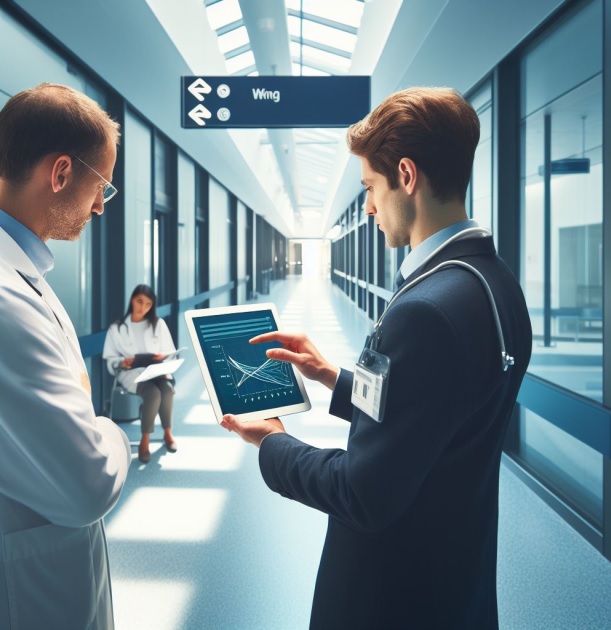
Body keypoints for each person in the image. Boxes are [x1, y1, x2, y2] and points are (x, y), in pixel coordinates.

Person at [221, 87, 533, 629]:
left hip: (392, 597)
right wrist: (333, 379)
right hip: (455, 585)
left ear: (406, 177)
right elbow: (433, 413)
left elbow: (360, 493)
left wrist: (272, 443)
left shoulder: (427, 310)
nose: (366, 206)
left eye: (369, 186)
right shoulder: (495, 284)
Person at [0, 83, 131, 629]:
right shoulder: (5, 299)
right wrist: (111, 431)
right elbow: (87, 484)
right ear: (59, 174)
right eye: (101, 184)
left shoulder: (24, 276)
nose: (101, 204)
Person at [103, 284, 178, 463]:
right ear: (132, 300)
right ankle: (145, 441)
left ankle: (168, 433)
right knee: (153, 394)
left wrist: (163, 357)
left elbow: (170, 352)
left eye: (148, 304)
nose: (143, 307)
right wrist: (122, 361)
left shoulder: (158, 325)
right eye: (139, 301)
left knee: (167, 390)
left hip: (157, 372)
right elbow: (110, 359)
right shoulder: (117, 328)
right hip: (131, 373)